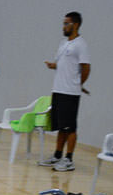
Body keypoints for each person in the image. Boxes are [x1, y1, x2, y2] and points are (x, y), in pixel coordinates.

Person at [39, 12, 91, 172]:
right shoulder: (63, 43)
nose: (64, 26)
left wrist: (78, 84)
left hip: (70, 92)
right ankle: (57, 155)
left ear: (75, 25)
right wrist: (53, 66)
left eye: (67, 23)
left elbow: (86, 68)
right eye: (63, 23)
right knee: (61, 126)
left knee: (70, 127)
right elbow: (64, 65)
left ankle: (69, 159)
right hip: (58, 89)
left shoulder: (81, 44)